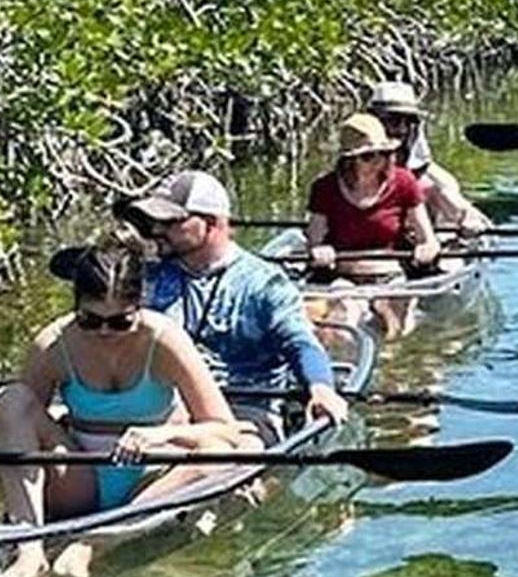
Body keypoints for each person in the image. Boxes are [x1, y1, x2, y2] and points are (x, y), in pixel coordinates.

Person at [0, 227, 246, 577]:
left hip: (152, 478)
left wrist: (162, 435)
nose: (104, 332)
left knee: (216, 453)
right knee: (12, 398)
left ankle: (96, 541)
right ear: (75, 306)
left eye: (120, 321)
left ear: (139, 305)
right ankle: (29, 548)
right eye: (90, 320)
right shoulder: (53, 345)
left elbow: (226, 430)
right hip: (80, 478)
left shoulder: (165, 340)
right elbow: (17, 426)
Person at [123, 170, 352, 438]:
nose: (157, 231)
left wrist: (320, 387)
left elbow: (299, 342)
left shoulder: (264, 283)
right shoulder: (150, 276)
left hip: (246, 411)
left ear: (211, 223)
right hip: (166, 407)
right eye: (155, 222)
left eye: (171, 222)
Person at [304, 113, 443, 337]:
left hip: (390, 274)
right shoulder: (325, 187)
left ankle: (395, 352)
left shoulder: (404, 182)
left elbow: (428, 239)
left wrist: (426, 249)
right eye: (368, 156)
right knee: (344, 312)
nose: (378, 161)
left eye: (385, 154)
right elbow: (314, 240)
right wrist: (319, 251)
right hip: (344, 277)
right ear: (349, 160)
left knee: (394, 316)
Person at [365, 81, 492, 237]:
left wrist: (469, 218)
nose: (402, 129)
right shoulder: (351, 172)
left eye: (409, 122)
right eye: (394, 120)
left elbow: (456, 205)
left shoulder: (433, 180)